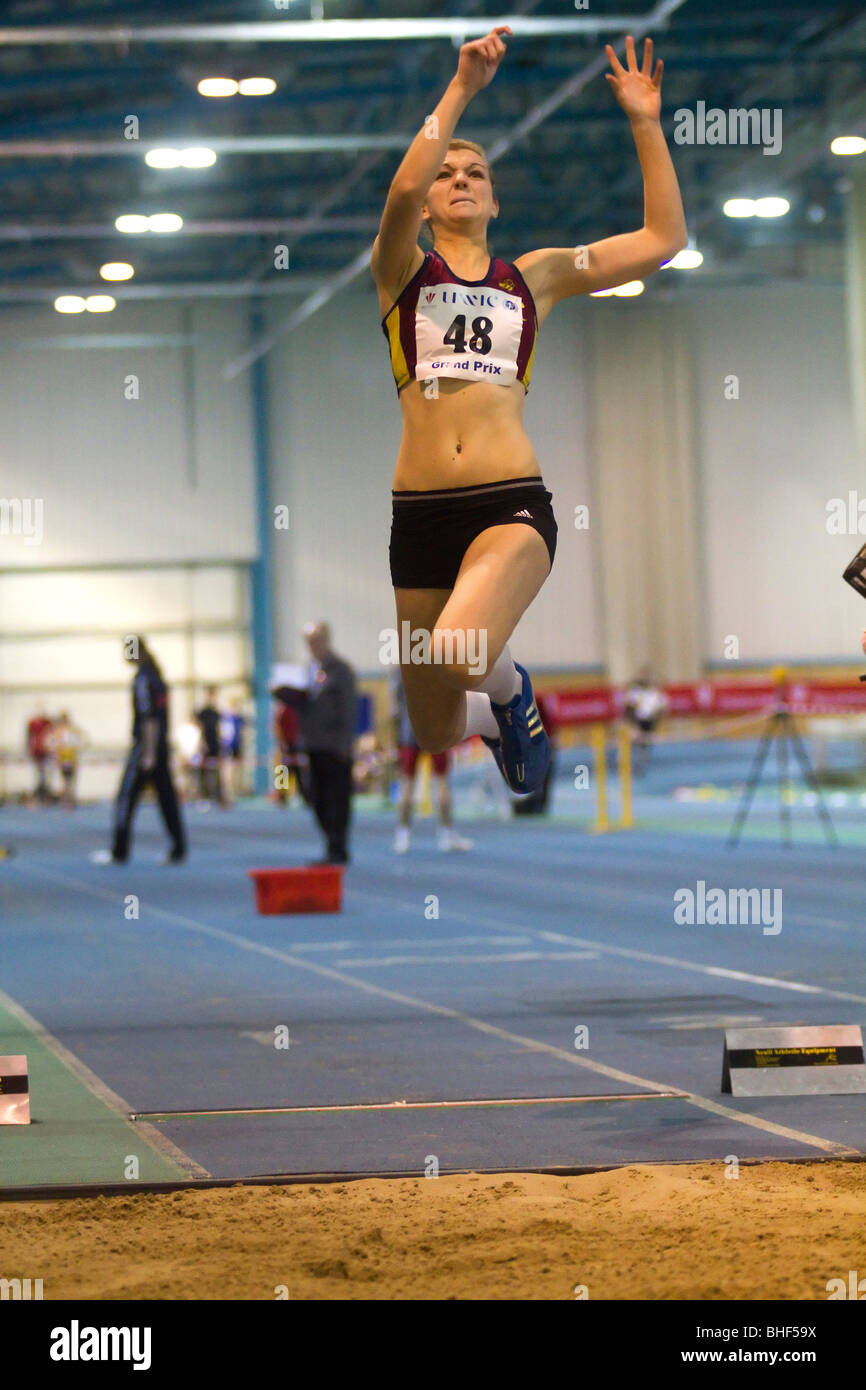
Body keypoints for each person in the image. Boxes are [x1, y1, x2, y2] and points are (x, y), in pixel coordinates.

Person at [370, 29, 686, 799]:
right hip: (418, 518)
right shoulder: (402, 269)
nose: (460, 180)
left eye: (477, 172)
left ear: (495, 197)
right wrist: (462, 88)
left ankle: (514, 696)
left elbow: (663, 240)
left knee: (466, 649)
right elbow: (400, 194)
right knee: (437, 728)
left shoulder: (534, 278)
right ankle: (491, 714)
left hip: (506, 503)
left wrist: (645, 121)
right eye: (448, 173)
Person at [92, 636, 187, 864]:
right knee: (167, 799)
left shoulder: (143, 680)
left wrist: (148, 754)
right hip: (160, 746)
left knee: (126, 798)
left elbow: (149, 719)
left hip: (146, 747)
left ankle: (119, 850)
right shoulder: (157, 678)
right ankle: (178, 848)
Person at [274, 623, 357, 864]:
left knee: (338, 799)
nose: (313, 645)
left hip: (335, 747)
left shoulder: (341, 670)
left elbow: (348, 710)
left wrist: (344, 743)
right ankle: (331, 844)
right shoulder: (309, 670)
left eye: (317, 640)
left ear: (327, 639)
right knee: (316, 798)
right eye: (309, 641)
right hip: (313, 745)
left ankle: (338, 849)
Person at [389, 667, 472, 853]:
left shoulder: (401, 668)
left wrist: (396, 735)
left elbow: (394, 707)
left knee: (407, 783)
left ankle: (402, 836)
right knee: (442, 781)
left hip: (410, 730)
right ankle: (446, 834)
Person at [623, 672, 669, 776]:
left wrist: (657, 721)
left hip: (650, 721)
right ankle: (632, 763)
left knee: (646, 743)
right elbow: (629, 707)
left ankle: (641, 764)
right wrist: (632, 722)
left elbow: (661, 709)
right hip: (638, 720)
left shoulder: (657, 695)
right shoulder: (636, 692)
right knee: (635, 742)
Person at [195, 685, 224, 806]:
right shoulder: (204, 712)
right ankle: (204, 793)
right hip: (206, 743)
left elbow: (218, 729)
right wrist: (202, 743)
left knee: (217, 769)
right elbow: (200, 728)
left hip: (215, 744)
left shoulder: (216, 712)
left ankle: (217, 793)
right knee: (204, 769)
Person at [50, 712, 86, 809]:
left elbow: (79, 744)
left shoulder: (72, 731)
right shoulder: (58, 733)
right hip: (64, 759)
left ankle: (69, 801)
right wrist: (57, 758)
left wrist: (76, 760)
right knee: (66, 782)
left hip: (71, 759)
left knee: (70, 782)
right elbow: (53, 746)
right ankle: (66, 801)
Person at [26, 706, 54, 804]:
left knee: (46, 773)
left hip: (46, 750)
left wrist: (51, 748)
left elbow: (52, 734)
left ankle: (46, 795)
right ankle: (39, 795)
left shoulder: (48, 722)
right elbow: (29, 736)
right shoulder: (32, 723)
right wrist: (29, 748)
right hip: (37, 751)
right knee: (39, 774)